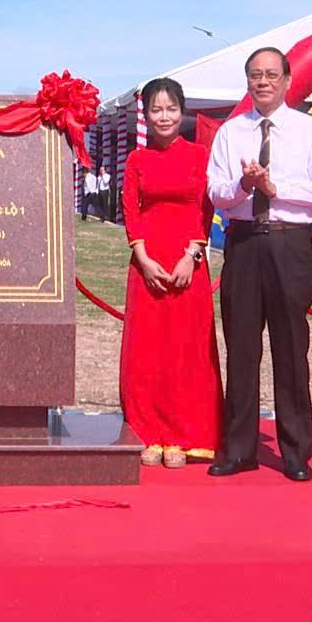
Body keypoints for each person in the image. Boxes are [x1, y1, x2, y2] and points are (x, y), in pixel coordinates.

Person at [205, 47, 312, 480]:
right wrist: (245, 185)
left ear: (287, 80)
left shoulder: (308, 130)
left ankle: (296, 451)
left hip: (289, 243)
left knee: (291, 348)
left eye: (271, 74)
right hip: (244, 243)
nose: (263, 82)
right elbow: (216, 192)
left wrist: (275, 187)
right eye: (255, 75)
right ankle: (239, 449)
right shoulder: (231, 132)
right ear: (247, 81)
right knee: (242, 348)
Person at [119, 78, 220, 468]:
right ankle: (146, 430)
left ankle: (181, 433)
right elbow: (130, 210)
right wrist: (143, 259)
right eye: (156, 109)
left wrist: (192, 255)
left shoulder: (198, 155)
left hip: (186, 263)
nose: (164, 116)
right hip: (147, 263)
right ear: (146, 115)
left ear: (182, 111)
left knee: (185, 349)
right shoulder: (136, 160)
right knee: (147, 351)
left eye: (171, 109)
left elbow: (205, 209)